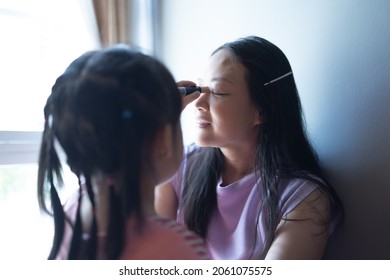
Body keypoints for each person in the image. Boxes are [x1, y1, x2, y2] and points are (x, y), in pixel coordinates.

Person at [155, 36, 343, 260]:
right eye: (198, 88)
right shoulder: (180, 164)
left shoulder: (304, 199)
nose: (198, 103)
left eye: (218, 92)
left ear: (262, 110)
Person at [37, 45, 208, 260]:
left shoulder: (72, 211)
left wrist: (156, 111)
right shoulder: (180, 252)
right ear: (162, 138)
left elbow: (103, 119)